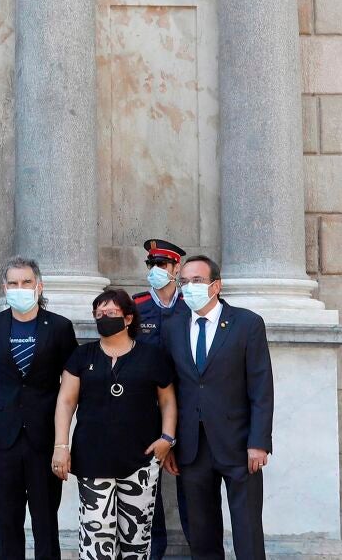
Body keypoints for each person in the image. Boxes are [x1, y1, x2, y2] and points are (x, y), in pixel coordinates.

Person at [161, 256, 274, 560]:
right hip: (191, 447)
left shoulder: (247, 324)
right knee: (201, 532)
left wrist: (259, 442)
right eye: (184, 282)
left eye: (197, 281)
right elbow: (167, 390)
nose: (189, 287)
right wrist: (168, 442)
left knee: (247, 529)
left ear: (216, 285)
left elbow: (261, 387)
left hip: (239, 444)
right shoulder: (172, 327)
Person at [52, 288, 177, 560]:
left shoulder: (151, 356)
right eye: (98, 314)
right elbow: (66, 401)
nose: (103, 318)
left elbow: (167, 400)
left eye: (110, 312)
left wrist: (167, 439)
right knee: (96, 538)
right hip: (92, 460)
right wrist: (61, 446)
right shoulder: (82, 356)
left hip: (140, 461)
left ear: (128, 318)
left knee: (136, 540)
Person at [0, 259, 76, 560]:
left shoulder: (59, 327)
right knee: (8, 518)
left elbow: (71, 383)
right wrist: (7, 408)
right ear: (4, 287)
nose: (19, 288)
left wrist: (61, 441)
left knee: (45, 517)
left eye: (26, 282)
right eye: (13, 283)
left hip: (44, 436)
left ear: (39, 286)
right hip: (5, 435)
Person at [133, 239, 188, 560]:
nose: (156, 270)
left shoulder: (191, 305)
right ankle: (154, 552)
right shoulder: (136, 306)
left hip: (188, 406)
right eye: (151, 264)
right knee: (146, 489)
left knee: (191, 486)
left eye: (162, 264)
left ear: (176, 268)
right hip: (148, 408)